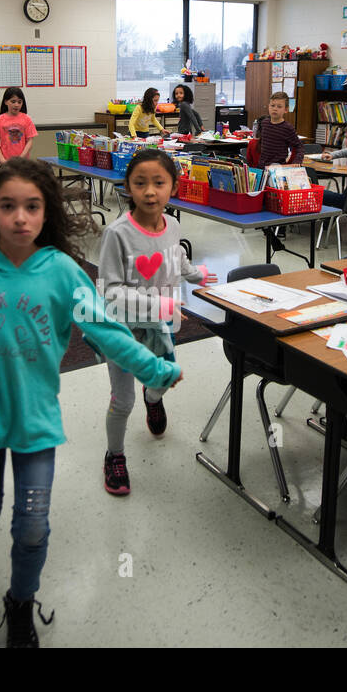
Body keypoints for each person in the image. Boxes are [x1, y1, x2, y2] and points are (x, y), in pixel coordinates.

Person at [0, 158, 183, 647]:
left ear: (47, 214)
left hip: (38, 424)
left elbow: (107, 332)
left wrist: (154, 369)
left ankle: (20, 603)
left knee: (33, 527)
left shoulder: (63, 272)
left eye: (32, 207)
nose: (20, 217)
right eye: (8, 206)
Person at [97, 149, 215, 495]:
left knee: (160, 383)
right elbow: (110, 293)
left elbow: (174, 256)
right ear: (128, 188)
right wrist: (159, 306)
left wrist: (195, 275)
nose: (150, 192)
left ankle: (154, 399)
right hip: (122, 331)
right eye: (140, 183)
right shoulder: (117, 234)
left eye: (159, 183)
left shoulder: (173, 225)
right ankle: (114, 455)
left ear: (174, 187)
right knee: (123, 401)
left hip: (162, 331)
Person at [253, 91, 303, 168]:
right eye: (272, 105)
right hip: (262, 166)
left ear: (286, 110)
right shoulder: (264, 123)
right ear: (268, 106)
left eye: (279, 107)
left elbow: (299, 146)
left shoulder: (287, 128)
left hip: (278, 168)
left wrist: (297, 161)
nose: (275, 109)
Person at [0, 87, 38, 162]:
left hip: (22, 161)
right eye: (13, 101)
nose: (16, 105)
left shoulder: (26, 119)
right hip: (5, 161)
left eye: (19, 102)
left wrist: (21, 158)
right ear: (6, 102)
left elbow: (30, 141)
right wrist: (2, 159)